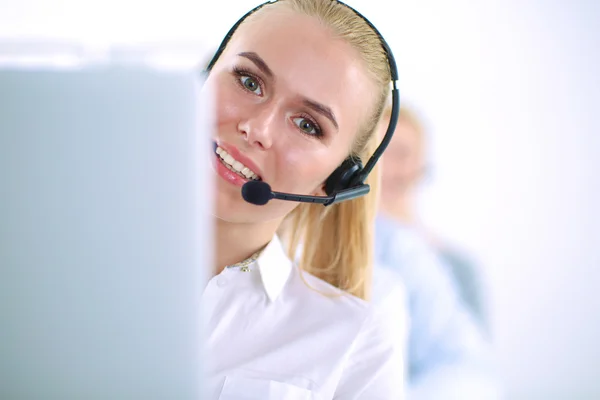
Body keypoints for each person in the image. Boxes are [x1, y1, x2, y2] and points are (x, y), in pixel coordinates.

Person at [201, 1, 405, 398]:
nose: (256, 129)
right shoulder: (55, 248)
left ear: (337, 181)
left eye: (308, 125)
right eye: (248, 81)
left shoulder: (354, 341)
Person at [375, 104, 500, 398]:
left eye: (402, 153)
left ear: (423, 163)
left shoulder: (458, 266)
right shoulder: (332, 253)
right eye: (379, 150)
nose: (388, 165)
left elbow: (472, 369)